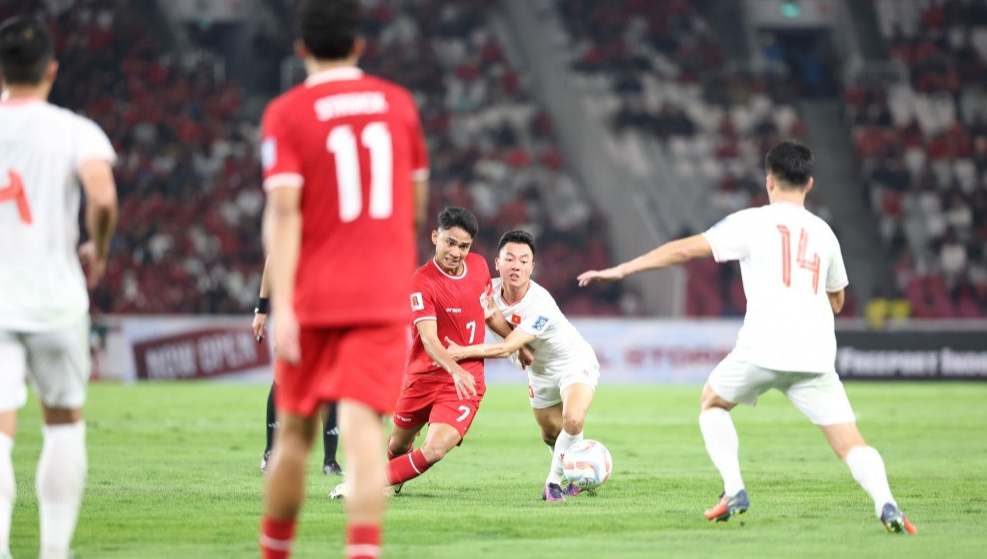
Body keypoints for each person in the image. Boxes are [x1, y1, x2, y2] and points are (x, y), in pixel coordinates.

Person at [577, 140, 917, 535]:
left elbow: (687, 250)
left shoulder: (752, 222)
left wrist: (622, 269)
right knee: (849, 442)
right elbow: (838, 300)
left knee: (713, 403)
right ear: (809, 184)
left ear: (769, 181)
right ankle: (886, 503)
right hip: (815, 353)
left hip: (764, 347)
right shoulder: (825, 234)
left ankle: (734, 488)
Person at [258, 0, 429, 558]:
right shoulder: (398, 104)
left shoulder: (285, 113)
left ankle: (275, 550)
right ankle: (362, 551)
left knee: (295, 435)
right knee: (360, 429)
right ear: (360, 44)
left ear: (300, 46)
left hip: (313, 296)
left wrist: (281, 303)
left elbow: (283, 212)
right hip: (378, 295)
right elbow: (416, 203)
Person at [0, 16, 118, 559]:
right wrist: (97, 249)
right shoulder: (74, 129)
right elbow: (102, 199)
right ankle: (54, 551)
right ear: (52, 70)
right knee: (63, 424)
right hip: (56, 296)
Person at [328, 207, 517, 499]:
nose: (456, 252)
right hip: (424, 376)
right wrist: (454, 367)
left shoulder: (479, 267)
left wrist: (517, 342)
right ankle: (394, 475)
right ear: (435, 237)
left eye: (464, 246)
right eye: (450, 242)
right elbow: (429, 340)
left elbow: (489, 314)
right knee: (398, 446)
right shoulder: (422, 281)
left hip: (466, 382)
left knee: (435, 448)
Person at [443, 229, 600, 502]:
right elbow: (458, 304)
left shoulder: (541, 304)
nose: (516, 266)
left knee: (573, 419)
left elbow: (506, 348)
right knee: (550, 434)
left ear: (532, 267)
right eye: (510, 259)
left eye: (523, 260)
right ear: (497, 263)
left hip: (573, 361)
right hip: (539, 370)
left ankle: (553, 483)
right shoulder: (487, 291)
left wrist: (461, 352)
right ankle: (575, 468)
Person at [251, 256, 342, 477]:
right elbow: (273, 260)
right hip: (293, 308)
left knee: (330, 379)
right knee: (282, 377)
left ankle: (330, 461)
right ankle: (271, 452)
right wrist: (261, 309)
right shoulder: (295, 224)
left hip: (328, 309)